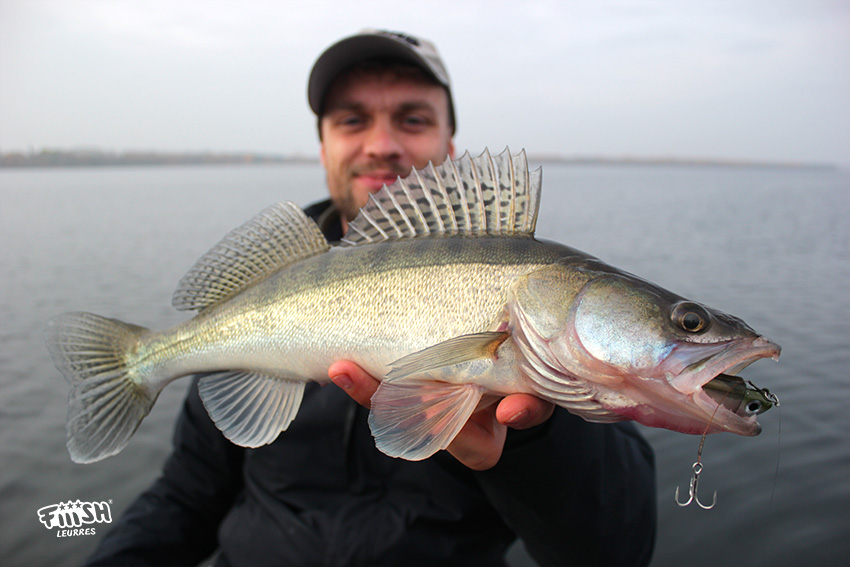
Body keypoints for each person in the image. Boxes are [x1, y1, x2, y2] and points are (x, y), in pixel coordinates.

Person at [85, 30, 657, 567]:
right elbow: (186, 497)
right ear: (324, 145)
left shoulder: (560, 337)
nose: (382, 145)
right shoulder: (268, 284)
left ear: (448, 144)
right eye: (353, 119)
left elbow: (613, 550)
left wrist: (533, 439)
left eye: (411, 119)